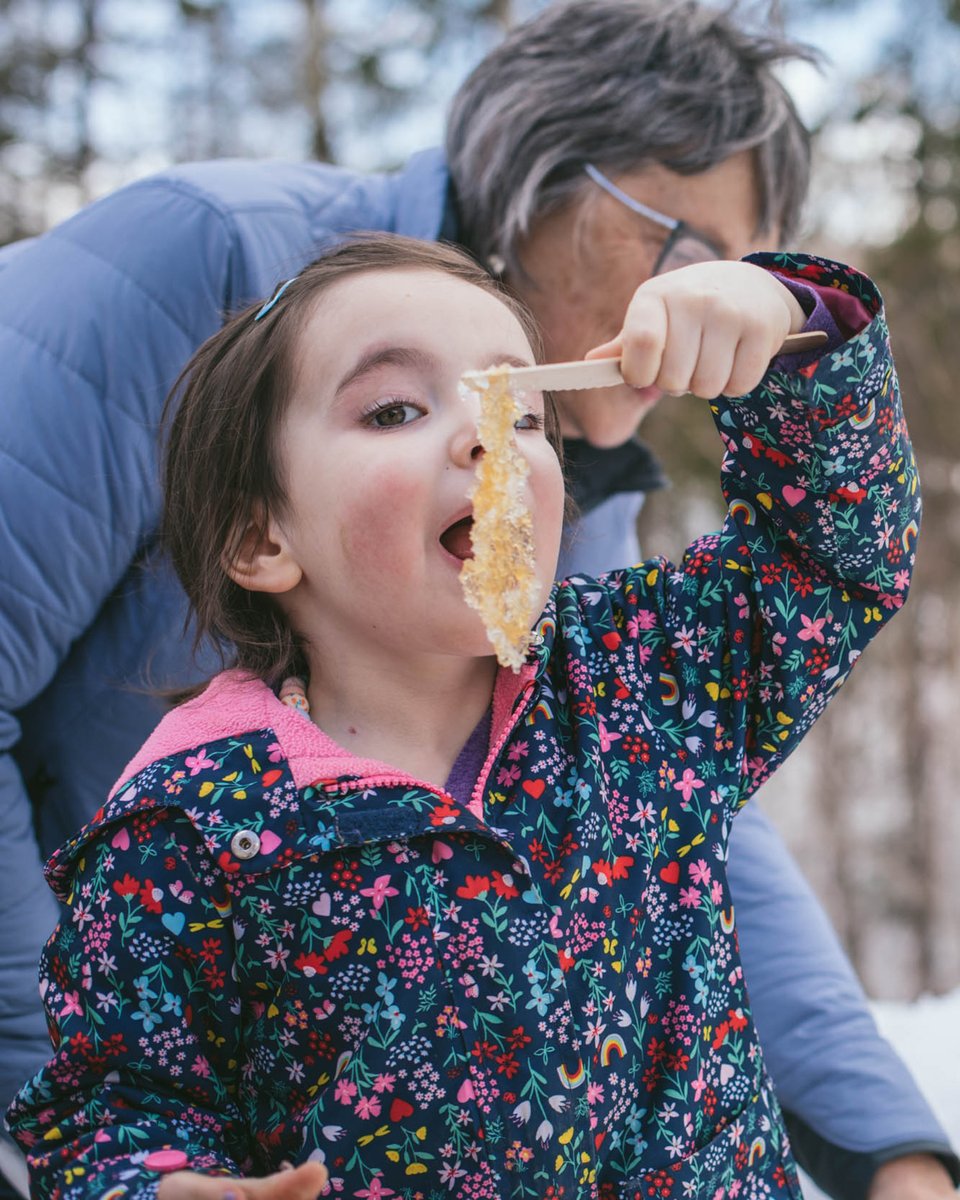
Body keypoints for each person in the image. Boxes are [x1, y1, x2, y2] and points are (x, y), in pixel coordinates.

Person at [0, 3, 956, 1198]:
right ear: (260, 536)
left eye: (522, 412)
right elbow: (117, 1101)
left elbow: (830, 562)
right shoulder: (187, 827)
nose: (483, 436)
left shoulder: (631, 685)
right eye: (397, 410)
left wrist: (795, 325)